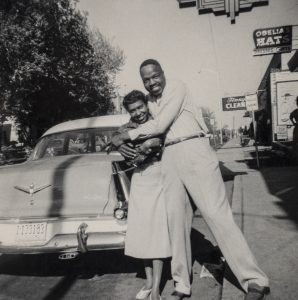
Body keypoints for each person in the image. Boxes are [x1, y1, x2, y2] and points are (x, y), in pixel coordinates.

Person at [111, 59, 270, 300]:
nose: (152, 82)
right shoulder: (150, 102)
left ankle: (254, 280)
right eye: (146, 79)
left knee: (217, 216)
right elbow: (133, 123)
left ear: (162, 73)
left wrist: (126, 136)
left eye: (155, 76)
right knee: (176, 223)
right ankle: (182, 284)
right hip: (170, 157)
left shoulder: (177, 87)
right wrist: (119, 140)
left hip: (194, 148)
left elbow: (159, 124)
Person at [117, 90, 173, 300]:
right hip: (139, 180)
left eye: (141, 107)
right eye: (133, 110)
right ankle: (149, 282)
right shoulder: (125, 128)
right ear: (128, 112)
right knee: (143, 233)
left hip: (159, 176)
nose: (138, 112)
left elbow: (162, 139)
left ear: (146, 105)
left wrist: (150, 143)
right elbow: (114, 139)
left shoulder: (158, 121)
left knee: (157, 233)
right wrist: (121, 144)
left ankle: (157, 288)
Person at [290, 96, 298, 164]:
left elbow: (291, 117)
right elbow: (291, 117)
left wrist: (294, 123)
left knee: (295, 143)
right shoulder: (295, 111)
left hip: (297, 127)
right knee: (295, 143)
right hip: (297, 128)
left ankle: (295, 158)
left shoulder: (295, 111)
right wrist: (294, 123)